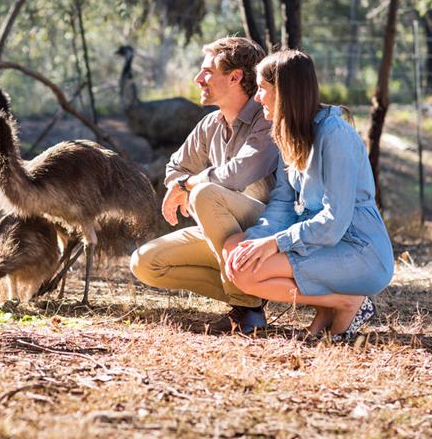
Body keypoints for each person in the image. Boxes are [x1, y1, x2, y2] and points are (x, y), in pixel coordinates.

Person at [224, 50, 394, 340]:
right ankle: (326, 309)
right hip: (317, 242)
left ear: (284, 92)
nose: (257, 98)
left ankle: (348, 302)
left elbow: (334, 221)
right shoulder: (288, 133)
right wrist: (256, 240)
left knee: (247, 273)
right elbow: (282, 203)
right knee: (235, 249)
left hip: (358, 250)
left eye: (262, 88)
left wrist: (275, 243)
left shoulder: (335, 135)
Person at [130, 36, 279, 333]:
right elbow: (176, 167)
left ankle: (246, 310)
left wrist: (190, 187)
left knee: (206, 193)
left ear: (235, 77)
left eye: (207, 72)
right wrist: (181, 185)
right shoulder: (211, 123)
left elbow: (237, 175)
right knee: (145, 262)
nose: (198, 79)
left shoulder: (266, 120)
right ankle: (254, 291)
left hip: (267, 232)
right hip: (223, 233)